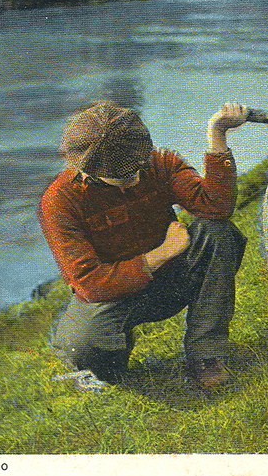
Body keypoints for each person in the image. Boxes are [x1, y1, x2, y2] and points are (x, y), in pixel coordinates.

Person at [39, 100, 248, 391]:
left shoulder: (159, 162)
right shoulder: (59, 201)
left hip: (174, 280)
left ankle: (206, 357)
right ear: (86, 172)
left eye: (137, 170)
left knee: (217, 233)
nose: (133, 182)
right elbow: (89, 283)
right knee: (81, 348)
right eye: (120, 180)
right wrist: (162, 252)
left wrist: (218, 137)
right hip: (113, 295)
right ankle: (110, 362)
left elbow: (216, 207)